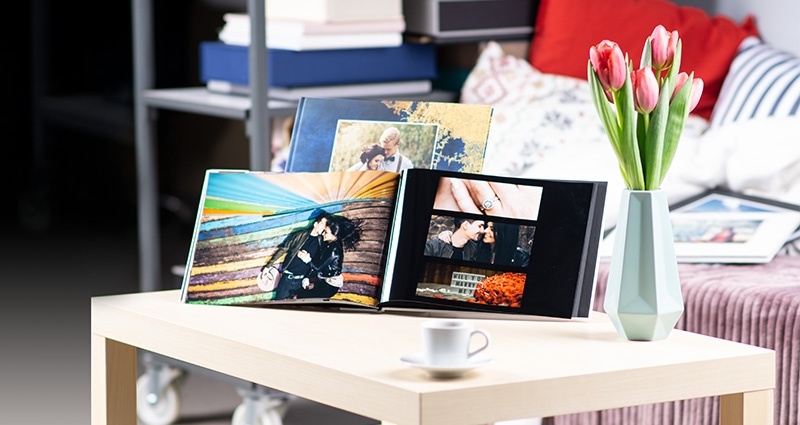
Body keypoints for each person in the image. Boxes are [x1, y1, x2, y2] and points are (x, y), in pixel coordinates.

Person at [257, 212, 331, 300]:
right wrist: (268, 266)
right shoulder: (300, 235)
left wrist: (307, 277)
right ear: (315, 224)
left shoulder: (321, 243)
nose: (323, 227)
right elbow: (283, 249)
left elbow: (317, 263)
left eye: (325, 225)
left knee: (297, 309)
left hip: (301, 281)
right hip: (287, 279)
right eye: (322, 223)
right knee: (278, 305)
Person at [298, 216, 363, 299]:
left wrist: (306, 259)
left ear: (334, 235)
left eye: (326, 232)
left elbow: (318, 267)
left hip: (330, 285)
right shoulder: (329, 244)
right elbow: (318, 261)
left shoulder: (334, 249)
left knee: (303, 298)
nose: (323, 234)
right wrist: (307, 277)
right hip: (325, 280)